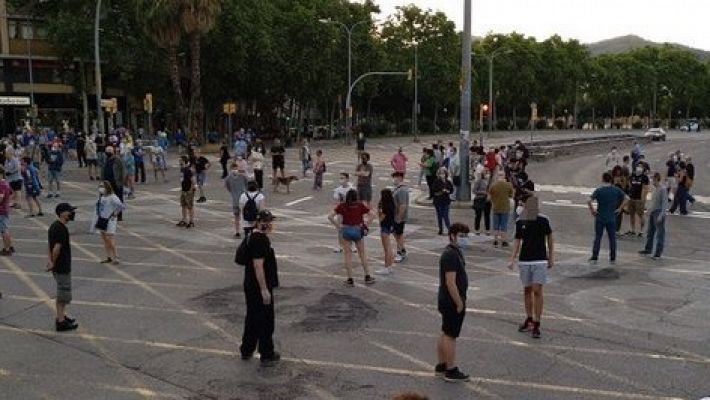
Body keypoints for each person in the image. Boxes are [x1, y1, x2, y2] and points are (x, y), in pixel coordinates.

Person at [508, 196, 554, 339]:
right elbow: (517, 240)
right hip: (525, 260)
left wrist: (551, 256)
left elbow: (550, 237)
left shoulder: (543, 220)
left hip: (540, 259)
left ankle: (537, 322)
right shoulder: (520, 221)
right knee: (527, 289)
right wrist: (512, 258)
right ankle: (529, 318)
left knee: (537, 290)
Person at [239, 210, 281, 365]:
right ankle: (266, 352)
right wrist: (264, 290)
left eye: (270, 221)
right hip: (258, 285)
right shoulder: (259, 240)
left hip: (250, 284)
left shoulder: (252, 235)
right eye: (267, 222)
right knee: (265, 320)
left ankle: (246, 349)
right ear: (259, 222)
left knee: (252, 317)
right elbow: (258, 266)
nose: (270, 224)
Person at [435, 222, 471, 382]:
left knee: (446, 331)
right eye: (461, 236)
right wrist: (459, 302)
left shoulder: (454, 252)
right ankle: (450, 369)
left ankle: (442, 364)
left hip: (446, 300)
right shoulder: (450, 254)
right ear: (452, 236)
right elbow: (451, 282)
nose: (464, 239)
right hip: (451, 301)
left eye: (466, 236)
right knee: (451, 335)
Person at [328, 189, 375, 286]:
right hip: (358, 230)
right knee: (362, 254)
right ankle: (367, 276)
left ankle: (350, 279)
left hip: (346, 230)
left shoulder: (342, 206)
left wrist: (338, 226)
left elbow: (330, 216)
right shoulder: (360, 205)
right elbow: (372, 214)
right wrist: (366, 225)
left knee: (348, 255)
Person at [47, 203, 78, 332]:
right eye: (69, 211)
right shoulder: (60, 229)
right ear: (62, 213)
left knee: (63, 293)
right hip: (62, 266)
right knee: (63, 294)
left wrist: (50, 261)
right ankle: (60, 321)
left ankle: (62, 316)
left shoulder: (54, 226)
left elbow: (50, 246)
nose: (71, 214)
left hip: (58, 266)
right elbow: (56, 248)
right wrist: (53, 262)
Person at [588, 172, 627, 264]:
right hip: (611, 216)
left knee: (598, 237)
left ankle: (595, 256)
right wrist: (620, 208)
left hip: (600, 216)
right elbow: (627, 198)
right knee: (612, 238)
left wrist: (592, 210)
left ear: (603, 179)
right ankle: (612, 257)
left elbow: (589, 200)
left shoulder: (599, 190)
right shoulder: (616, 190)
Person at [91, 181, 125, 264]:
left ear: (107, 187)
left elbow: (121, 206)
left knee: (110, 239)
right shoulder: (101, 197)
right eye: (100, 186)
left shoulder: (113, 197)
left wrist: (115, 214)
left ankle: (116, 257)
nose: (101, 188)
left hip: (110, 220)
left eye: (102, 186)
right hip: (102, 220)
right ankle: (108, 257)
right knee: (105, 240)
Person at [639, 173, 668, 260]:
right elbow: (652, 201)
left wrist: (661, 215)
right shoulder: (654, 189)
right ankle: (648, 249)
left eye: (653, 179)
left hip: (658, 212)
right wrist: (648, 210)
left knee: (660, 234)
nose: (652, 181)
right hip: (653, 212)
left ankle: (658, 253)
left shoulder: (662, 189)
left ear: (656, 179)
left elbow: (664, 203)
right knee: (650, 232)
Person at [375, 188, 396, 275]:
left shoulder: (384, 206)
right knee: (389, 247)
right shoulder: (392, 204)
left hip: (384, 227)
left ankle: (386, 267)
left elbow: (381, 217)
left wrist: (379, 218)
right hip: (390, 225)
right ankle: (390, 266)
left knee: (386, 248)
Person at [489, 173, 514, 247]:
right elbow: (511, 195)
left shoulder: (493, 186)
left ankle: (495, 240)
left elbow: (490, 195)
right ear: (504, 176)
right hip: (505, 207)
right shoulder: (508, 185)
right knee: (504, 226)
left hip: (496, 207)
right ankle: (504, 241)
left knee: (496, 225)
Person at [625, 164, 650, 236]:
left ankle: (641, 231)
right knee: (631, 214)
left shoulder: (644, 177)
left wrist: (643, 200)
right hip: (632, 198)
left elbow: (646, 189)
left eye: (641, 167)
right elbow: (629, 185)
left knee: (641, 215)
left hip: (639, 199)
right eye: (638, 166)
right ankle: (633, 230)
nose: (639, 168)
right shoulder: (632, 176)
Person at [332, 172, 354, 253]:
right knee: (340, 229)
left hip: (350, 212)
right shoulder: (338, 190)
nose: (341, 180)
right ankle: (340, 246)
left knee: (351, 229)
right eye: (340, 178)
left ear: (347, 179)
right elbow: (336, 201)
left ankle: (351, 245)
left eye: (343, 178)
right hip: (341, 212)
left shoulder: (351, 189)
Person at [102, 146, 125, 220]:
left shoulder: (118, 160)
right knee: (108, 200)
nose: (107, 152)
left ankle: (119, 216)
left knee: (118, 200)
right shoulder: (106, 160)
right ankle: (110, 214)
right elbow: (103, 170)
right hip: (107, 184)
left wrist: (121, 182)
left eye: (109, 151)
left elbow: (122, 171)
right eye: (107, 151)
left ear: (113, 152)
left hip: (116, 183)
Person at [225, 162, 248, 237]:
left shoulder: (228, 178)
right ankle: (243, 231)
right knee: (243, 216)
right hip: (243, 199)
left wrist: (232, 192)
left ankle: (237, 231)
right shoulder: (242, 176)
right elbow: (247, 184)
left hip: (236, 199)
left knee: (237, 216)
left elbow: (228, 187)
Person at [392, 172, 409, 263]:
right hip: (396, 216)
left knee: (398, 235)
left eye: (395, 177)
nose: (394, 179)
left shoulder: (402, 190)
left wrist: (399, 217)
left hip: (399, 217)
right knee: (398, 234)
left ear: (400, 178)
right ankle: (402, 250)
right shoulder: (398, 188)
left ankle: (400, 253)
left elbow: (403, 205)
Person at [432, 167, 453, 235]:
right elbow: (433, 189)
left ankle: (449, 229)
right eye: (441, 173)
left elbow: (451, 190)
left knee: (445, 215)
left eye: (443, 173)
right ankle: (441, 229)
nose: (442, 175)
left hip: (446, 200)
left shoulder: (448, 182)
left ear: (446, 174)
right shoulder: (436, 181)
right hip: (438, 201)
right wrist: (441, 190)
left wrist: (448, 191)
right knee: (440, 215)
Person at [176, 156, 196, 228]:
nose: (179, 162)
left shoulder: (188, 170)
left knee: (189, 206)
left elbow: (193, 180)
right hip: (183, 190)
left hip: (188, 191)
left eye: (181, 161)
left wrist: (191, 189)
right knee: (183, 205)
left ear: (184, 162)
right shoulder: (182, 170)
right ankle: (184, 220)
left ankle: (191, 221)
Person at [0, 168, 16, 256]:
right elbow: (12, 193)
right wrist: (8, 202)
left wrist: (5, 202)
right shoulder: (5, 183)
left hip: (1, 210)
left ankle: (7, 249)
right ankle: (10, 247)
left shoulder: (1, 184)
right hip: (5, 209)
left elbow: (0, 198)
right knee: (5, 229)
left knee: (4, 230)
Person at [472, 171, 491, 235]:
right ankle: (477, 229)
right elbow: (474, 190)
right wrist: (483, 192)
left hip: (487, 200)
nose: (487, 175)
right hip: (479, 200)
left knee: (487, 215)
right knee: (478, 215)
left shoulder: (490, 182)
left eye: (488, 173)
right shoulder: (478, 181)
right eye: (486, 173)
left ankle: (487, 230)